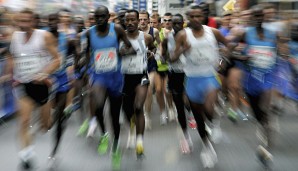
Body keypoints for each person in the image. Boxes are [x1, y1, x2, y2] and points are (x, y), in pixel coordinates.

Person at [170, 5, 233, 168]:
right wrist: (183, 49)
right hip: (192, 80)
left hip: (210, 77)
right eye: (193, 16)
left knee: (209, 107)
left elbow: (228, 45)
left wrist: (222, 62)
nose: (196, 19)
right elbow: (172, 58)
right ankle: (207, 147)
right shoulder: (183, 35)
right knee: (198, 117)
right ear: (188, 18)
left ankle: (214, 122)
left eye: (199, 16)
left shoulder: (213, 32)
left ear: (203, 17)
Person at [84, 5, 135, 170]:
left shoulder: (118, 29)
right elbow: (85, 54)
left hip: (115, 77)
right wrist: (84, 64)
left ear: (108, 17)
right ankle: (104, 134)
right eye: (96, 17)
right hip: (99, 76)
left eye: (102, 17)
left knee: (114, 114)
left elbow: (130, 48)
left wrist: (121, 52)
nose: (98, 20)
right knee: (98, 106)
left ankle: (116, 145)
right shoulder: (89, 33)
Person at [8, 8, 60, 170]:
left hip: (42, 85)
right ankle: (26, 154)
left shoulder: (44, 37)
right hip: (23, 84)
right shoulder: (15, 37)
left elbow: (58, 59)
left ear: (33, 21)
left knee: (45, 126)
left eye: (27, 21)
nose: (24, 24)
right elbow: (12, 56)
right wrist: (12, 75)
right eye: (21, 21)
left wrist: (45, 73)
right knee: (24, 121)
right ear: (17, 22)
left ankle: (43, 123)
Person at [121, 9, 156, 158]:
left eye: (133, 19)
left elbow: (153, 47)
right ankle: (131, 126)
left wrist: (150, 53)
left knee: (138, 106)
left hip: (141, 77)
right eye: (127, 20)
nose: (130, 23)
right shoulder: (119, 37)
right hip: (124, 78)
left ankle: (140, 141)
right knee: (127, 110)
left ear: (138, 21)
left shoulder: (146, 37)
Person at [161, 13, 193, 154]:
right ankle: (185, 137)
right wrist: (163, 57)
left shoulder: (190, 35)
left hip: (190, 73)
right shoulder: (167, 38)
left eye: (179, 23)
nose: (176, 26)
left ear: (183, 23)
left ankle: (192, 114)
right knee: (178, 104)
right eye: (173, 23)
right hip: (174, 73)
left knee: (191, 100)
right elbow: (164, 57)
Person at [47, 13, 71, 168]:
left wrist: (72, 68)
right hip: (46, 80)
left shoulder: (65, 38)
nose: (53, 22)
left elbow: (71, 56)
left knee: (59, 116)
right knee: (48, 120)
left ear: (60, 22)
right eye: (50, 20)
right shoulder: (42, 36)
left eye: (56, 20)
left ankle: (54, 151)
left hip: (62, 80)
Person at [138, 10, 160, 129]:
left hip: (151, 64)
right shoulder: (132, 32)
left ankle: (147, 115)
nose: (142, 21)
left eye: (144, 19)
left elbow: (157, 46)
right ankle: (139, 112)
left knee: (149, 89)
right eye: (140, 19)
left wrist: (153, 52)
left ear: (148, 19)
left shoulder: (154, 31)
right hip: (137, 66)